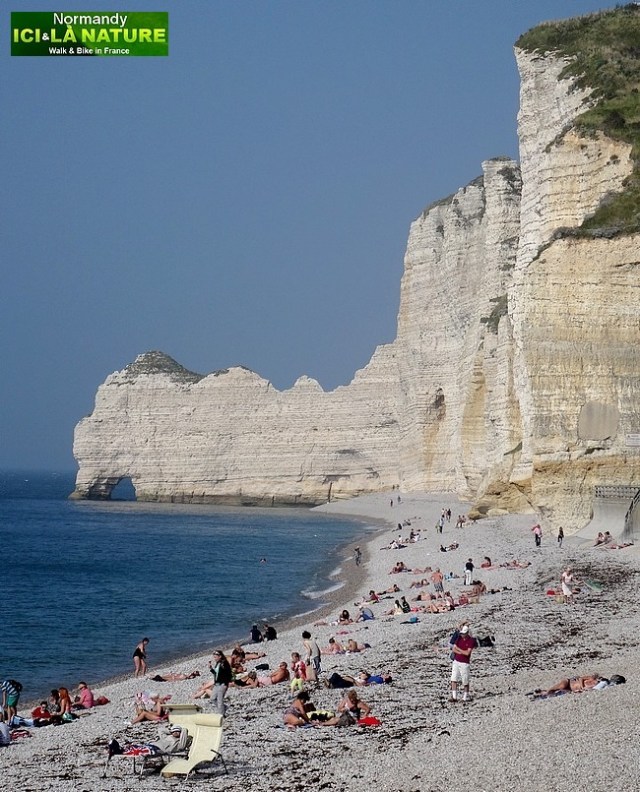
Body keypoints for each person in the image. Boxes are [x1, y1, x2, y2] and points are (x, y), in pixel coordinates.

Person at [529, 674, 625, 699]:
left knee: (557, 694)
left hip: (572, 690)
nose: (599, 680)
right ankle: (544, 692)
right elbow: (580, 678)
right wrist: (582, 687)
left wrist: (582, 690)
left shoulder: (599, 685)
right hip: (569, 683)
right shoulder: (592, 679)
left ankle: (541, 693)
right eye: (599, 679)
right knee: (559, 687)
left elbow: (592, 690)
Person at [450, 624, 478, 702]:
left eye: (463, 633)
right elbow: (454, 649)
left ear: (467, 633)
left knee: (465, 680)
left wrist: (459, 650)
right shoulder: (459, 638)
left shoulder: (471, 640)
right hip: (456, 661)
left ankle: (465, 697)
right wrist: (462, 651)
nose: (462, 635)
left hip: (464, 663)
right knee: (453, 678)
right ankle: (454, 697)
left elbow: (467, 653)